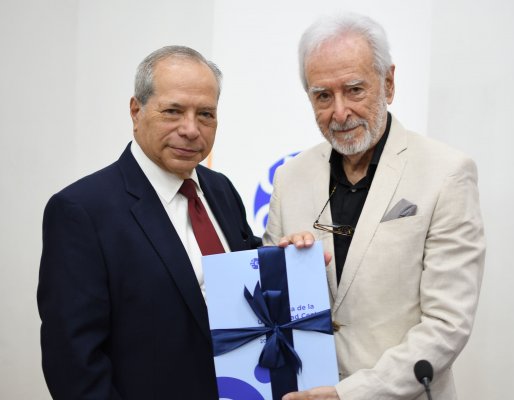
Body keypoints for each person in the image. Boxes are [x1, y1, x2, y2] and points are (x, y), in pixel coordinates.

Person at [37, 45, 311, 399]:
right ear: (136, 111)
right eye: (173, 111)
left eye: (206, 114)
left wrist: (286, 260)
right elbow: (74, 365)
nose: (191, 129)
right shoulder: (81, 211)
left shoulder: (220, 189)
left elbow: (240, 280)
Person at [264, 13, 486, 400]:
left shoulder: (447, 173)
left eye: (354, 90)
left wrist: (350, 394)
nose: (339, 112)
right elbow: (269, 310)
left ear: (389, 83)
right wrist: (281, 271)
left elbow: (446, 324)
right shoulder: (289, 177)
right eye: (323, 96)